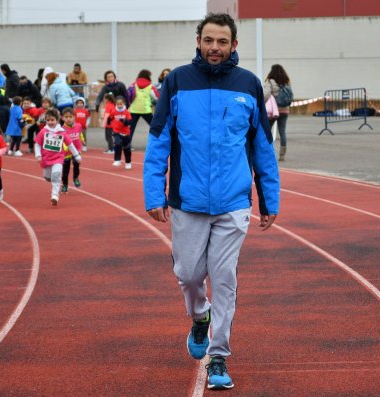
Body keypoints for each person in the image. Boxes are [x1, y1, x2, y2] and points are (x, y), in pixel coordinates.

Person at [143, 12, 280, 390]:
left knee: (225, 279)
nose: (214, 48)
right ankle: (199, 316)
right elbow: (157, 143)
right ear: (198, 42)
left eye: (222, 41)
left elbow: (262, 148)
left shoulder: (248, 85)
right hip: (187, 203)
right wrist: (154, 193)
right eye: (208, 40)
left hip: (233, 204)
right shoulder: (176, 83)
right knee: (188, 275)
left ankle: (218, 354)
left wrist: (269, 199)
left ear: (233, 45)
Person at [34, 108, 82, 206]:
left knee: (56, 176)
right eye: (48, 120)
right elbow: (37, 144)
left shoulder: (61, 132)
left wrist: (76, 155)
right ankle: (50, 179)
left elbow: (70, 144)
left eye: (52, 120)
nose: (50, 122)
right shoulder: (43, 132)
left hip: (58, 158)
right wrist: (38, 155)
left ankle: (55, 196)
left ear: (57, 120)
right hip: (46, 159)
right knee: (48, 177)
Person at [263, 64, 292, 161]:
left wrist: (261, 103)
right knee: (282, 131)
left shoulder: (270, 81)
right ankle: (282, 155)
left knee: (267, 130)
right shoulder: (286, 81)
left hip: (272, 111)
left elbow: (266, 95)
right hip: (284, 110)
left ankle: (267, 152)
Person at [127, 69, 159, 143]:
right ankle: (157, 142)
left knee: (131, 128)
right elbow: (156, 97)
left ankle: (127, 145)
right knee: (154, 126)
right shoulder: (150, 86)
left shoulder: (133, 84)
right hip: (146, 110)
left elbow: (128, 94)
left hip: (134, 109)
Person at [60, 107, 85, 192]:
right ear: (62, 118)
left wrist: (82, 140)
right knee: (65, 170)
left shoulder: (78, 126)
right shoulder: (62, 129)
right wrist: (65, 146)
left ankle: (76, 178)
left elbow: (80, 133)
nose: (68, 119)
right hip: (66, 153)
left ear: (74, 117)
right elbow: (61, 140)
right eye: (66, 117)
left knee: (76, 164)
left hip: (77, 150)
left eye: (70, 117)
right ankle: (65, 184)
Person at [108, 96, 132, 169]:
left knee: (126, 148)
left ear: (124, 104)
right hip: (116, 131)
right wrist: (109, 122)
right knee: (117, 143)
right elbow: (110, 118)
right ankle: (117, 160)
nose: (119, 105)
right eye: (118, 104)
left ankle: (128, 162)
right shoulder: (114, 111)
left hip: (125, 132)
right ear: (116, 104)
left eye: (121, 104)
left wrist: (125, 121)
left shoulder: (126, 112)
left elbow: (130, 122)